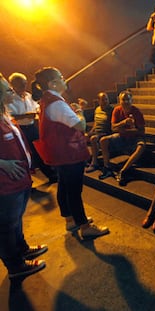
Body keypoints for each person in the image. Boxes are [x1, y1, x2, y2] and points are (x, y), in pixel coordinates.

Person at [31, 67, 109, 239]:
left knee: (65, 187)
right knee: (74, 191)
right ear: (52, 83)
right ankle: (85, 226)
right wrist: (80, 111)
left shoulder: (48, 100)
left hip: (59, 152)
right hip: (68, 152)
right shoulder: (56, 103)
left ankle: (70, 219)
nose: (64, 78)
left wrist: (73, 111)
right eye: (61, 76)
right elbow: (80, 125)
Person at [0, 73, 48, 279]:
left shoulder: (4, 114)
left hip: (19, 181)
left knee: (16, 220)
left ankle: (23, 249)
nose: (12, 90)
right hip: (5, 185)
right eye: (7, 89)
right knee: (6, 227)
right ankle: (16, 266)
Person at [6, 72, 57, 183]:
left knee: (39, 150)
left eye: (25, 84)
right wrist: (26, 115)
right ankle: (27, 179)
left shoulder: (29, 96)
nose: (24, 87)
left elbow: (37, 109)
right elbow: (9, 116)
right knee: (24, 154)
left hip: (32, 127)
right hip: (19, 130)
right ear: (13, 84)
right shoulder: (10, 98)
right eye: (21, 84)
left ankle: (51, 174)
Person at [99, 90, 146, 186]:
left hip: (134, 138)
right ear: (120, 101)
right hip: (121, 137)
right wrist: (124, 122)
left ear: (131, 100)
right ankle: (107, 167)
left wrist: (127, 131)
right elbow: (113, 128)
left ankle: (123, 170)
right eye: (123, 100)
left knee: (141, 145)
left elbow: (142, 131)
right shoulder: (117, 110)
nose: (126, 102)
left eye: (128, 99)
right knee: (103, 140)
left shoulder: (136, 112)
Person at [85, 92, 114, 173]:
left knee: (93, 138)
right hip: (97, 131)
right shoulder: (97, 109)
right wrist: (90, 131)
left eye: (106, 99)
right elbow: (96, 122)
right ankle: (85, 159)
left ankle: (94, 162)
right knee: (83, 136)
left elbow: (112, 124)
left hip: (105, 132)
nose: (105, 101)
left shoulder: (111, 110)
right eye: (103, 100)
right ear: (99, 101)